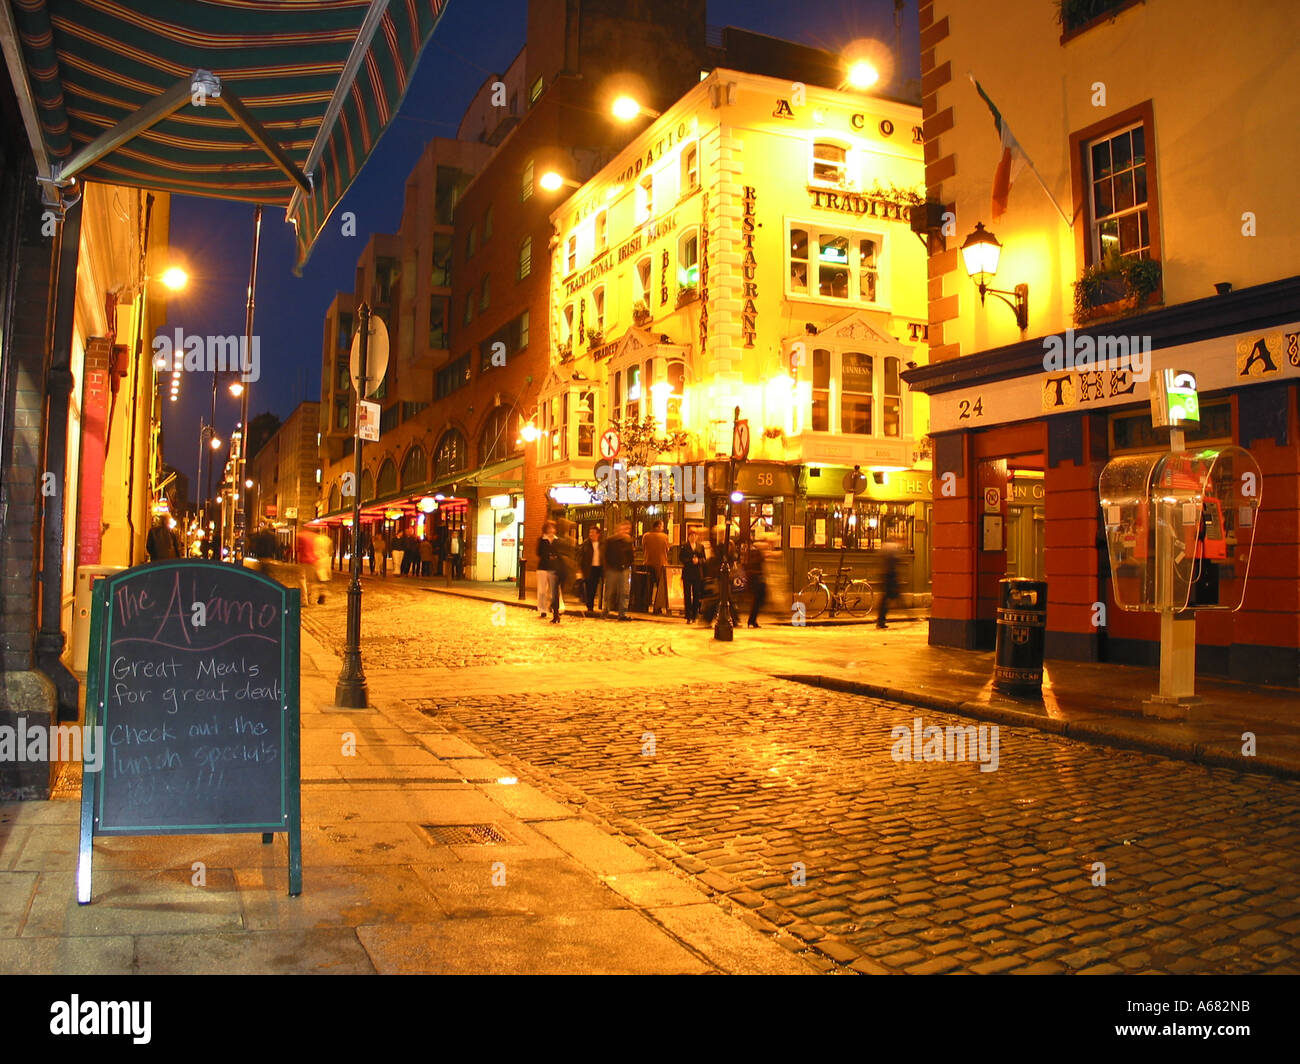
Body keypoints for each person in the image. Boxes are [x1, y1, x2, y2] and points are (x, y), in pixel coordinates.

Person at [602, 521, 634, 621]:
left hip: (624, 569)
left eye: (627, 529)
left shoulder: (628, 541)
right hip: (612, 569)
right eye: (624, 529)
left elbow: (630, 556)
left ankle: (622, 613)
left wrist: (627, 565)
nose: (625, 531)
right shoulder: (611, 541)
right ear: (618, 529)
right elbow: (606, 554)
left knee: (624, 592)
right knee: (609, 592)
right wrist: (608, 566)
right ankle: (606, 610)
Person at [642, 519, 670, 615]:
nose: (663, 528)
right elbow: (667, 549)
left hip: (648, 562)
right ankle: (657, 608)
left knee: (648, 586)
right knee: (660, 588)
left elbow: (643, 548)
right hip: (661, 564)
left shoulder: (646, 536)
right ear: (658, 526)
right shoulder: (664, 537)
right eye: (662, 526)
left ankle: (645, 606)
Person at [551, 519, 576, 624]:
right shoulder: (570, 541)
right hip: (566, 568)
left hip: (558, 568)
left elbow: (553, 553)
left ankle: (556, 613)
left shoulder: (557, 541)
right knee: (557, 591)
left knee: (555, 592)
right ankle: (556, 612)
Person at [680, 529, 705, 624]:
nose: (693, 537)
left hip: (697, 573)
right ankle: (688, 615)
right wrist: (690, 561)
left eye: (695, 535)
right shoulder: (685, 546)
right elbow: (681, 558)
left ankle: (695, 615)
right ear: (688, 537)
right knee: (687, 594)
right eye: (691, 535)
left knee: (696, 594)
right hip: (687, 573)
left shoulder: (700, 546)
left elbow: (704, 559)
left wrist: (699, 561)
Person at [877, 535, 902, 629]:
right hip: (891, 575)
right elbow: (897, 559)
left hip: (884, 574)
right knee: (889, 597)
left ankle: (881, 619)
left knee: (885, 598)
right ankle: (881, 620)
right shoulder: (893, 548)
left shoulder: (883, 547)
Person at [579, 526, 603, 617]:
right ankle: (590, 607)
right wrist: (580, 569)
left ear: (598, 534)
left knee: (594, 587)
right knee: (589, 587)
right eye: (590, 532)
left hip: (598, 568)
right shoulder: (586, 543)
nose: (591, 534)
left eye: (593, 532)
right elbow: (580, 556)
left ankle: (591, 606)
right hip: (589, 568)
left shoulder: (601, 544)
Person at [745, 535, 768, 628]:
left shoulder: (758, 552)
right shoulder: (756, 553)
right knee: (757, 601)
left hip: (757, 579)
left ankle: (752, 620)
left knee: (758, 601)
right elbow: (753, 566)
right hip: (756, 580)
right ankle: (752, 620)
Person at [536, 521, 557, 619]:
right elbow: (539, 553)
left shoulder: (557, 540)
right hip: (543, 568)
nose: (551, 529)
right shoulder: (542, 540)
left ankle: (555, 608)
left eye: (552, 527)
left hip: (554, 568)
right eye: (549, 527)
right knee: (542, 590)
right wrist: (549, 557)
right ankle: (542, 609)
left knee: (554, 590)